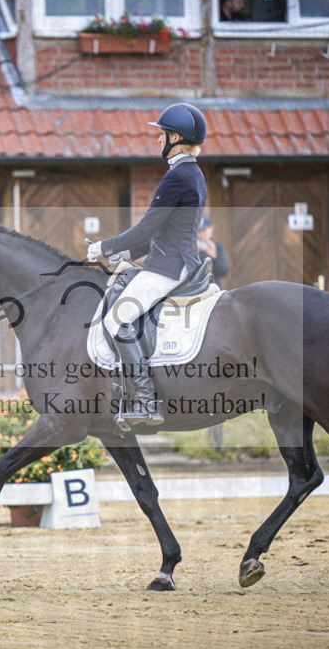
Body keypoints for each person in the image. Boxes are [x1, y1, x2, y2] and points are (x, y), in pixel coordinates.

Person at [87, 102, 208, 428]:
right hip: (176, 259)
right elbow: (159, 233)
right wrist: (121, 254)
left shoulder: (177, 176)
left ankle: (143, 399)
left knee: (116, 319)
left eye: (162, 134)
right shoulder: (193, 173)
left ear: (175, 138)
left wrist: (104, 246)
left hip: (169, 266)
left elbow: (146, 229)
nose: (157, 140)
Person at [196, 215, 230, 283]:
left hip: (213, 285)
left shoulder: (218, 247)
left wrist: (214, 256)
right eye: (199, 231)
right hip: (195, 286)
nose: (202, 233)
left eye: (204, 230)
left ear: (211, 229)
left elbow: (223, 271)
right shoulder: (190, 248)